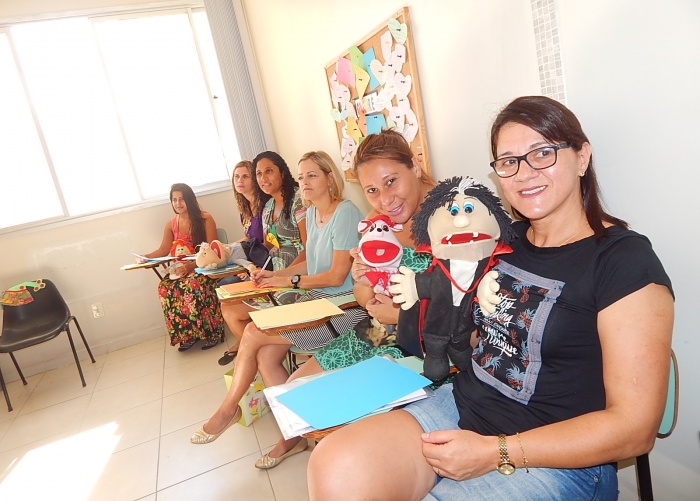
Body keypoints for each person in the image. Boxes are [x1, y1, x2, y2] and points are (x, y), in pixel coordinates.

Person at [307, 96, 674, 501]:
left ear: (582, 157)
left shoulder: (623, 260)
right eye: (509, 161)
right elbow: (469, 330)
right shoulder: (501, 242)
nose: (525, 173)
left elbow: (635, 428)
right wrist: (409, 299)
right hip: (462, 406)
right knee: (334, 463)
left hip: (556, 458)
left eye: (543, 153)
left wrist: (494, 451)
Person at [259, 129, 437, 469]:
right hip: (376, 332)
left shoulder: (449, 220)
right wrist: (363, 279)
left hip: (425, 343)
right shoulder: (374, 224)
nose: (385, 199)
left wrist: (400, 315)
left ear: (414, 167)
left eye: (391, 182)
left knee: (340, 429)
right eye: (372, 190)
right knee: (295, 389)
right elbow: (363, 295)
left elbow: (463, 309)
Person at [191, 151, 365, 455]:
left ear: (329, 178)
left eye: (312, 175)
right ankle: (292, 432)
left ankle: (228, 409)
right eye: (301, 177)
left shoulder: (345, 213)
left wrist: (290, 281)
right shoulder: (313, 213)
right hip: (317, 302)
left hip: (343, 309)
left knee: (253, 332)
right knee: (266, 355)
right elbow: (312, 262)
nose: (305, 182)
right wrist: (275, 275)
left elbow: (337, 276)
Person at [217, 151, 307, 366]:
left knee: (251, 328)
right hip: (273, 275)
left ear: (282, 172)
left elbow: (309, 249)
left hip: (297, 279)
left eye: (269, 171)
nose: (263, 178)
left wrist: (281, 276)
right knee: (228, 308)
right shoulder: (267, 208)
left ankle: (259, 359)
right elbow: (268, 244)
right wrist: (256, 269)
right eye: (259, 174)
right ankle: (257, 358)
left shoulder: (298, 201)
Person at [142, 183, 225, 351]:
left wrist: (191, 266)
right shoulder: (171, 224)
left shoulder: (205, 218)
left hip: (204, 267)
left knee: (193, 284)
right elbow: (163, 250)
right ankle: (188, 334)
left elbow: (212, 249)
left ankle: (212, 332)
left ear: (190, 200)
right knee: (164, 287)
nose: (178, 203)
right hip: (182, 270)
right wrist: (145, 258)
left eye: (181, 199)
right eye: (174, 200)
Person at [215, 160, 271, 362]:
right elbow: (248, 239)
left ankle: (248, 344)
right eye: (236, 177)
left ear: (255, 180)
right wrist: (227, 247)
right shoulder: (245, 208)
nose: (240, 180)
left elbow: (267, 244)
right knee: (222, 286)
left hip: (264, 264)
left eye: (245, 176)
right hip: (251, 261)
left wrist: (249, 268)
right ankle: (244, 340)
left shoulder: (265, 206)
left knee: (227, 285)